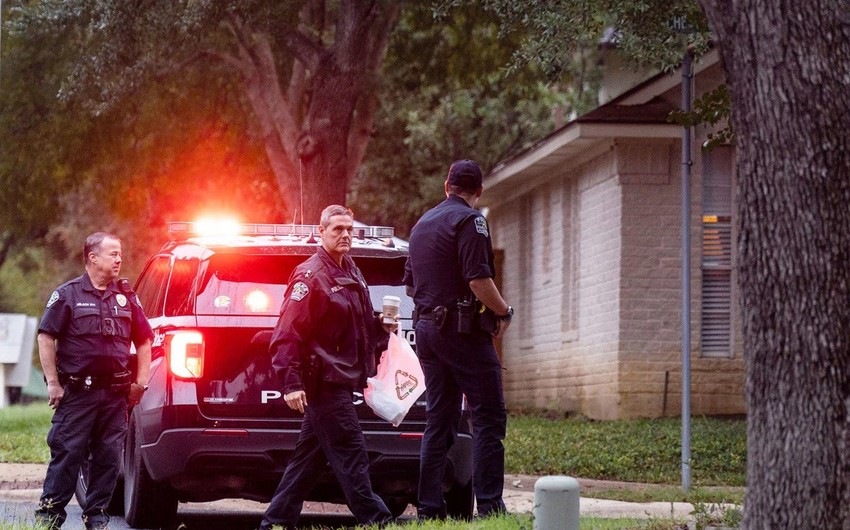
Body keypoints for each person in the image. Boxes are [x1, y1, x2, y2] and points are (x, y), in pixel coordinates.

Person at [258, 205, 395, 530]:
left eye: (349, 229)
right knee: (352, 454)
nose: (346, 235)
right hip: (323, 383)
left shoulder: (350, 269)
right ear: (321, 232)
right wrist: (291, 383)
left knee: (308, 461)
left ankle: (275, 522)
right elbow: (286, 334)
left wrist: (380, 327)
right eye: (337, 229)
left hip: (341, 381)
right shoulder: (311, 276)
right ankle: (377, 521)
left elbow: (356, 327)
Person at [403, 159, 513, 520]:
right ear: (478, 191)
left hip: (427, 332)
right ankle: (492, 508)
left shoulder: (420, 225)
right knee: (488, 416)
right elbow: (478, 280)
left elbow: (410, 285)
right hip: (462, 333)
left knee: (439, 419)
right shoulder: (471, 221)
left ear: (445, 186)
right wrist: (503, 311)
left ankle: (429, 509)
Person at [34, 232, 153, 530]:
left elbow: (144, 340)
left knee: (109, 458)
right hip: (77, 394)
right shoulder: (68, 295)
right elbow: (46, 336)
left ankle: (96, 516)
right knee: (67, 454)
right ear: (92, 258)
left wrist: (141, 381)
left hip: (114, 396)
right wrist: (52, 382)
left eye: (120, 253)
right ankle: (49, 517)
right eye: (113, 253)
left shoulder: (126, 297)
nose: (119, 259)